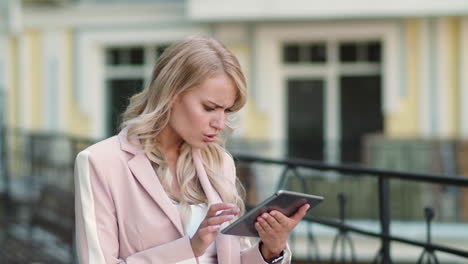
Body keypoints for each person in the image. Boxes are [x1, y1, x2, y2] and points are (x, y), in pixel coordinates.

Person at [74, 35, 310, 264]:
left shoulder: (219, 162)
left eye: (227, 110)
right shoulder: (100, 162)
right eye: (209, 108)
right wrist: (189, 248)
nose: (220, 123)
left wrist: (271, 249)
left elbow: (232, 257)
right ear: (171, 95)